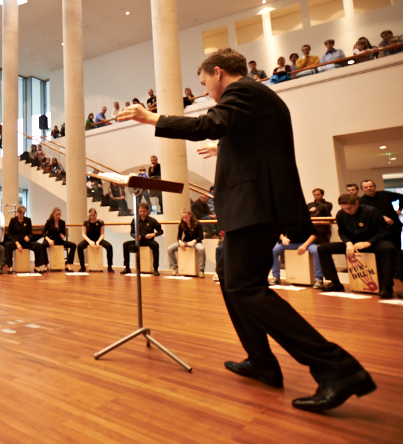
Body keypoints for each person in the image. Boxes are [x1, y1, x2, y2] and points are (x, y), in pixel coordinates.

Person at [118, 47, 375, 413]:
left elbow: (208, 124)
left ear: (218, 72)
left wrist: (152, 117)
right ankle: (261, 361)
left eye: (204, 82)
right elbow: (253, 143)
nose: (205, 90)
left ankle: (337, 368)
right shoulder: (252, 100)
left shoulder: (244, 91)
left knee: (246, 287)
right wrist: (224, 150)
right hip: (252, 207)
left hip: (255, 209)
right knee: (231, 279)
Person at [317, 194, 397, 299]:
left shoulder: (371, 211)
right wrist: (348, 243)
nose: (347, 211)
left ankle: (387, 287)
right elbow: (342, 232)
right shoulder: (341, 214)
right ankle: (335, 282)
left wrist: (369, 242)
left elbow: (383, 231)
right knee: (322, 249)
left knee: (389, 248)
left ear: (356, 203)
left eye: (350, 208)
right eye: (344, 208)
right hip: (354, 243)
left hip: (373, 242)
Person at [270, 219, 322, 287]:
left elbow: (314, 234)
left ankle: (318, 279)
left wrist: (305, 245)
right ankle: (276, 277)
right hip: (291, 243)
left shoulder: (304, 218)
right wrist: (283, 238)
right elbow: (279, 231)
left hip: (306, 243)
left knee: (316, 251)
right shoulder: (285, 219)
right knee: (274, 251)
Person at [358, 179, 403, 250]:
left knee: (397, 247)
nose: (369, 188)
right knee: (385, 248)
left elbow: (401, 197)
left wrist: (400, 209)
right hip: (377, 230)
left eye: (371, 186)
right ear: (362, 189)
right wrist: (381, 217)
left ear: (375, 187)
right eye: (366, 187)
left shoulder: (385, 194)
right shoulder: (360, 202)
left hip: (394, 225)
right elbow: (364, 216)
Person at [121, 203, 163, 275]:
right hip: (138, 241)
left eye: (144, 211)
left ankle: (155, 268)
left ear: (148, 211)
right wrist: (136, 236)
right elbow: (132, 232)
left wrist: (153, 234)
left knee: (156, 245)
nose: (142, 213)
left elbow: (161, 231)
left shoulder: (152, 220)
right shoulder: (135, 220)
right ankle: (127, 267)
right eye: (141, 211)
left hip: (148, 241)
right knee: (125, 244)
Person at [167, 209, 206, 277]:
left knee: (201, 249)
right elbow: (179, 236)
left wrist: (194, 241)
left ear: (190, 216)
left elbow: (201, 236)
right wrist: (180, 241)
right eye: (183, 218)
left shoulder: (197, 223)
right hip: (185, 241)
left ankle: (201, 269)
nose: (184, 219)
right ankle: (175, 268)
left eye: (186, 217)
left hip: (196, 242)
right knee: (170, 248)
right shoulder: (182, 224)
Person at [37, 207, 76, 273]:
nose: (58, 216)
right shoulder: (49, 222)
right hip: (50, 240)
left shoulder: (62, 222)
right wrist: (49, 240)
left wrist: (63, 236)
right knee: (43, 245)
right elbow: (43, 233)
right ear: (53, 214)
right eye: (57, 215)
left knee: (73, 245)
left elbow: (63, 233)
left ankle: (68, 264)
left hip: (59, 241)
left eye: (59, 215)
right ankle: (46, 265)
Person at [77, 208, 113, 273]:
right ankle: (82, 266)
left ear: (96, 214)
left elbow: (102, 234)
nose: (92, 217)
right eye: (90, 216)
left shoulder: (100, 222)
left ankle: (110, 266)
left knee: (109, 246)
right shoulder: (86, 222)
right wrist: (89, 241)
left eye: (93, 215)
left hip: (98, 239)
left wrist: (98, 241)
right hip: (89, 240)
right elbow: (83, 234)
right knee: (79, 246)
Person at [4, 205, 33, 272]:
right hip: (16, 242)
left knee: (38, 246)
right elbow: (9, 234)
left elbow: (30, 233)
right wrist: (16, 243)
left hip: (25, 242)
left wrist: (28, 237)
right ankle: (10, 266)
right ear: (17, 212)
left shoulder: (28, 220)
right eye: (21, 213)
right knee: (7, 245)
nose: (22, 215)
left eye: (23, 213)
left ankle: (37, 266)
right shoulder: (13, 220)